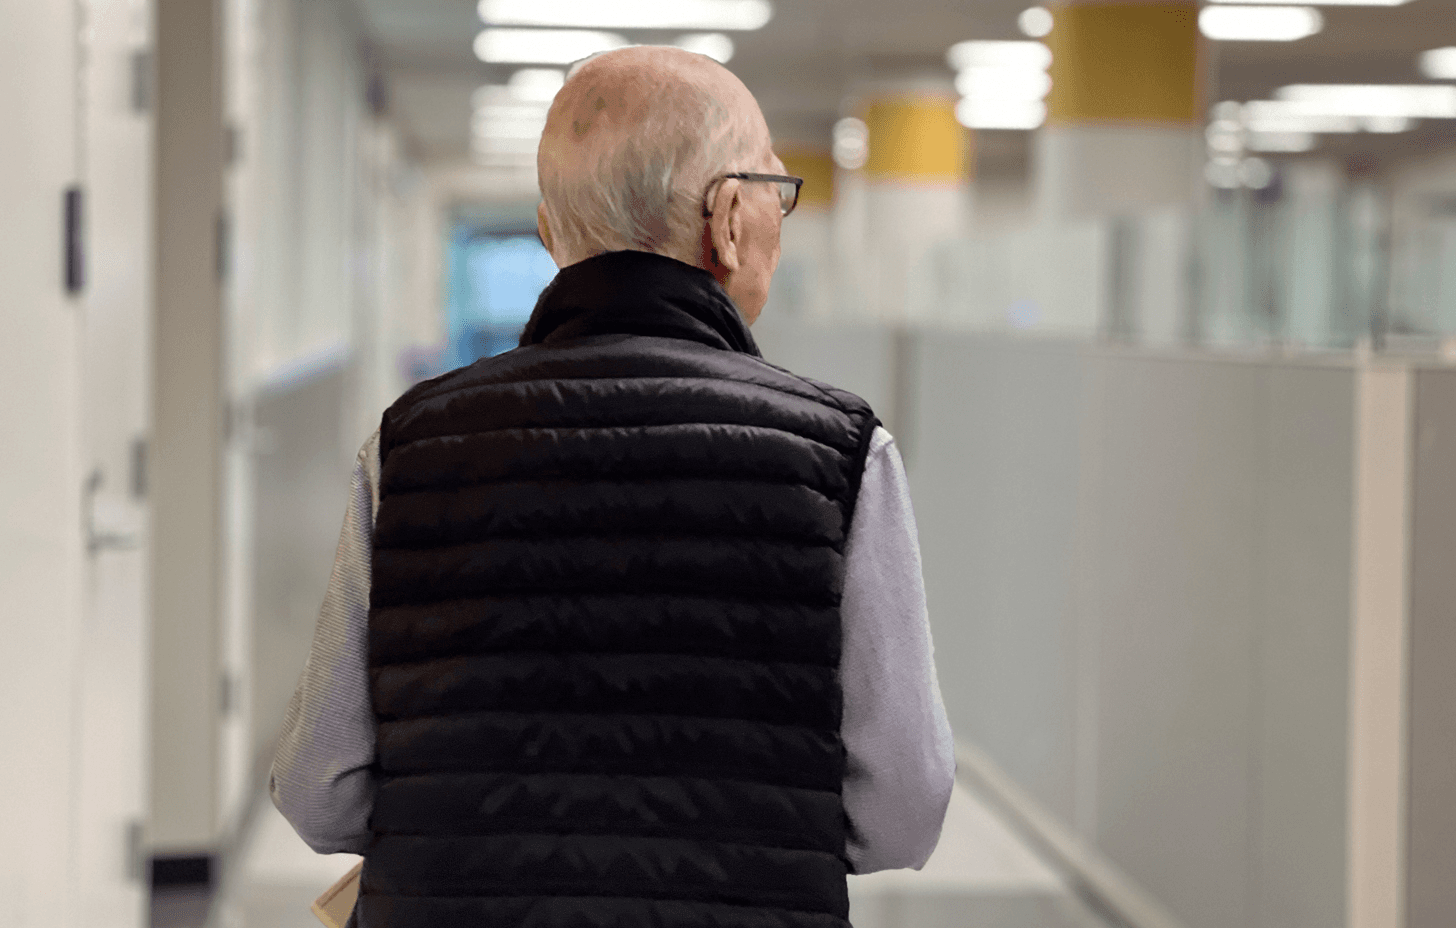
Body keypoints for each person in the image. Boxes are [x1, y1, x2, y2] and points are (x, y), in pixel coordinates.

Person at [271, 45, 954, 928]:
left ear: (550, 235)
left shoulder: (408, 445)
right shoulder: (842, 453)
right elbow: (904, 808)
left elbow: (319, 792)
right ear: (727, 219)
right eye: (774, 192)